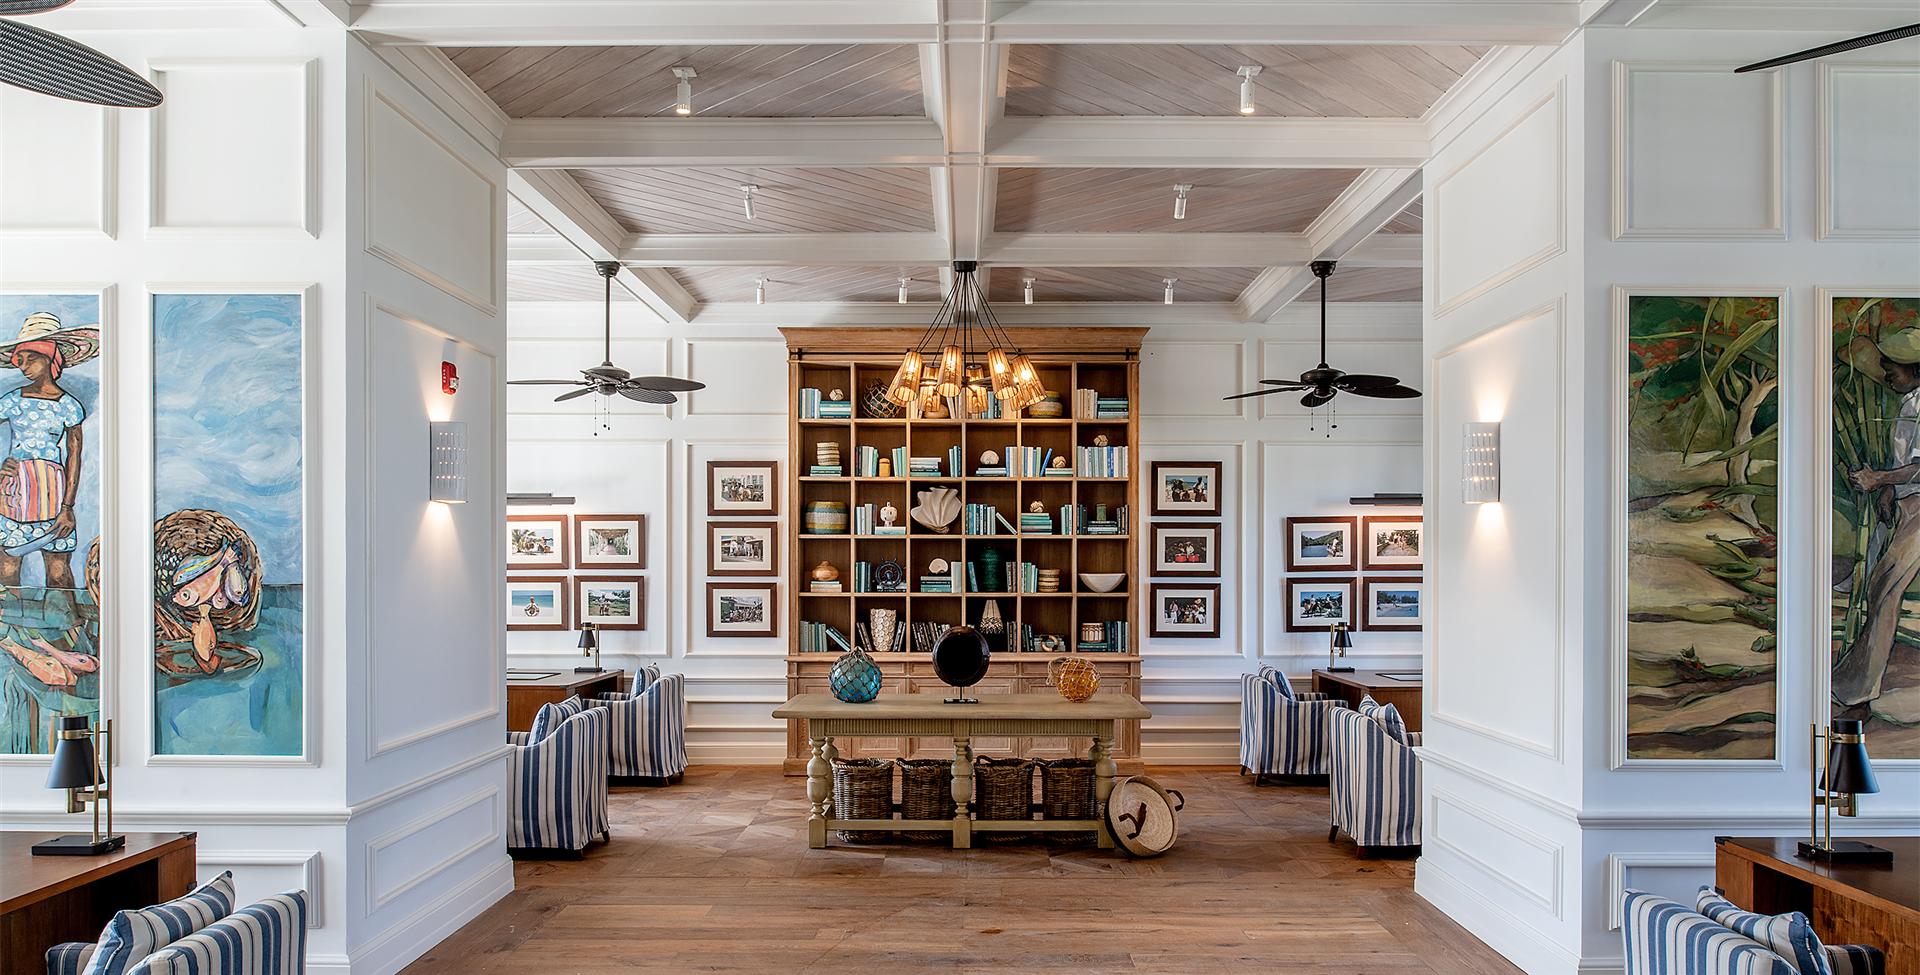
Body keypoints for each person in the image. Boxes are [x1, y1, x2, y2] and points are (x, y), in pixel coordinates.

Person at [1837, 326, 1920, 704]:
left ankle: (1858, 686)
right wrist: (1888, 489)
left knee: (1885, 586)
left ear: (1915, 369)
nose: (1887, 374)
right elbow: (1906, 461)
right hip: (1907, 501)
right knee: (1876, 580)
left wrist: (1877, 479)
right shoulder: (1910, 403)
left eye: (1893, 368)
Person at [0, 312, 98, 591]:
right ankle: (11, 634)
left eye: (31, 358)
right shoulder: (12, 400)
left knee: (58, 574)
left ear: (50, 358)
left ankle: (62, 631)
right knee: (7, 571)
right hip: (13, 495)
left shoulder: (69, 406)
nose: (24, 367)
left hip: (53, 498)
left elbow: (74, 457)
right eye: (20, 360)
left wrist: (68, 507)